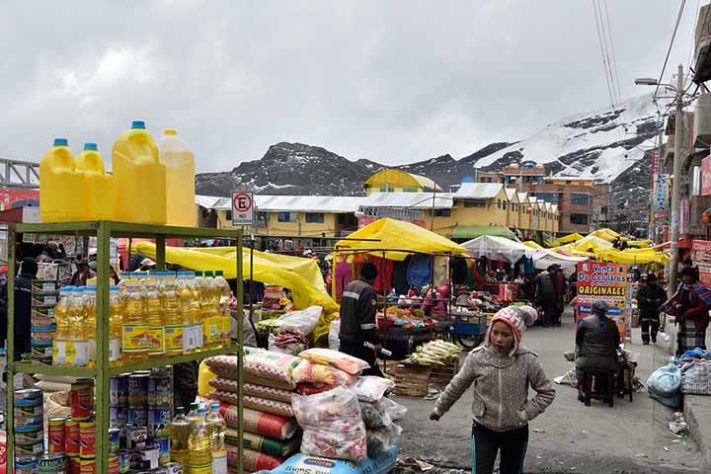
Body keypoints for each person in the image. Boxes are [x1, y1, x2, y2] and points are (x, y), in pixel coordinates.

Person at [429, 306, 555, 474]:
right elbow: (457, 385)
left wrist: (526, 412)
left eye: (505, 334)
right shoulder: (477, 357)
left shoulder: (527, 360)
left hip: (516, 430)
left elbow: (547, 392)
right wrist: (439, 408)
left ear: (516, 336)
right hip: (483, 428)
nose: (499, 339)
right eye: (495, 332)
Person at [339, 261, 383, 377]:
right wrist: (376, 341)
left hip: (345, 337)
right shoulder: (368, 291)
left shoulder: (350, 286)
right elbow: (367, 323)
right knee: (370, 371)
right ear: (374, 277)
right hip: (359, 341)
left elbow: (342, 310)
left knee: (346, 371)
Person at [575, 300, 620, 402]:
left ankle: (582, 389)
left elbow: (578, 341)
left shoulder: (585, 322)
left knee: (579, 363)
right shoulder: (612, 324)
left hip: (587, 360)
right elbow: (616, 343)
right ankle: (603, 391)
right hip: (609, 363)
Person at [661, 267, 711, 356]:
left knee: (695, 348)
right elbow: (675, 298)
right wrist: (677, 305)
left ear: (693, 276)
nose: (685, 279)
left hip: (696, 322)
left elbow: (706, 304)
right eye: (683, 276)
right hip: (684, 320)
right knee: (683, 345)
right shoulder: (682, 286)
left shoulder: (700, 287)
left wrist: (691, 312)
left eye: (687, 276)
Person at [15, 257, 37, 361]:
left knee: (15, 352)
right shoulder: (36, 285)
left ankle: (9, 370)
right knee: (30, 355)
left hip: (14, 325)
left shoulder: (14, 282)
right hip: (31, 327)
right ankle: (30, 375)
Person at [636, 273, 666, 345]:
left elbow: (664, 297)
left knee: (655, 324)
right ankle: (645, 339)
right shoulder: (644, 288)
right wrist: (646, 300)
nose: (653, 282)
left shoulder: (659, 288)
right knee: (644, 325)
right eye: (652, 281)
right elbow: (638, 297)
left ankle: (653, 336)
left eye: (654, 281)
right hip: (645, 309)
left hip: (655, 309)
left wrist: (659, 300)